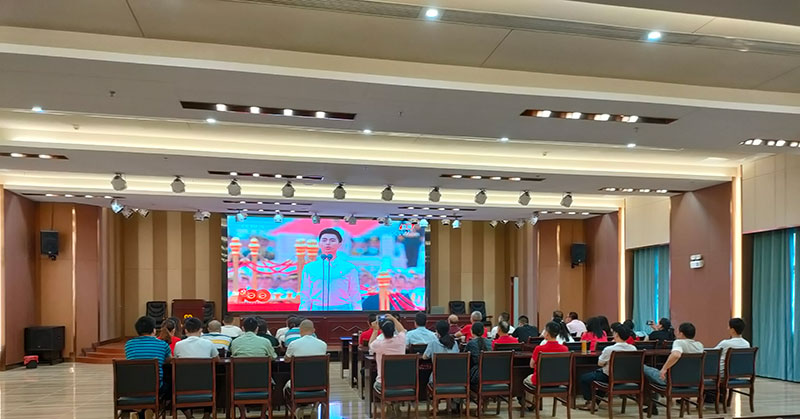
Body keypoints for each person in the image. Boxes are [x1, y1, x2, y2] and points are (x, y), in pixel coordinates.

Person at [642, 322, 703, 414]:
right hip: (692, 382)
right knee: (653, 371)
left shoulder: (679, 342)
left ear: (681, 333)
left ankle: (651, 405)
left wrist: (664, 369)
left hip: (671, 381)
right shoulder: (699, 345)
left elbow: (676, 355)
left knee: (642, 368)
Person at [298, 228, 362, 310]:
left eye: (332, 240)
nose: (328, 243)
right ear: (319, 243)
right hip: (317, 310)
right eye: (324, 240)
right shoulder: (309, 267)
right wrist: (303, 311)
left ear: (339, 244)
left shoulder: (349, 268)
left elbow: (355, 293)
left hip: (342, 310)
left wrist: (357, 311)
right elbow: (305, 294)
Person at [577, 324, 637, 409]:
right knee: (601, 379)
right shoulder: (633, 348)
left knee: (584, 378)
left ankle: (590, 402)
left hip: (608, 376)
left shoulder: (609, 349)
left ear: (616, 334)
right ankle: (595, 402)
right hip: (626, 377)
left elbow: (600, 364)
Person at [125, 316, 172, 385]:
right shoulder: (163, 344)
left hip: (134, 384)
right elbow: (169, 360)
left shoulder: (129, 344)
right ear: (154, 330)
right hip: (156, 385)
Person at [369, 314, 407, 392]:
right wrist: (393, 319)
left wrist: (375, 330)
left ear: (381, 331)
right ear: (394, 330)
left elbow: (370, 345)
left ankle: (385, 399)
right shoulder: (401, 340)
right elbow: (402, 330)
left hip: (383, 384)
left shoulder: (379, 344)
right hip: (401, 382)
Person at [524, 321, 568, 387]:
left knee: (526, 380)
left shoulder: (539, 348)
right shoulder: (565, 349)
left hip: (540, 380)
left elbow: (531, 365)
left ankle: (534, 394)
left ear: (547, 333)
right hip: (558, 380)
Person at [465, 322, 492, 387]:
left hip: (477, 376)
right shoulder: (490, 342)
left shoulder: (471, 343)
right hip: (491, 373)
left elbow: (464, 359)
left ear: (472, 331)